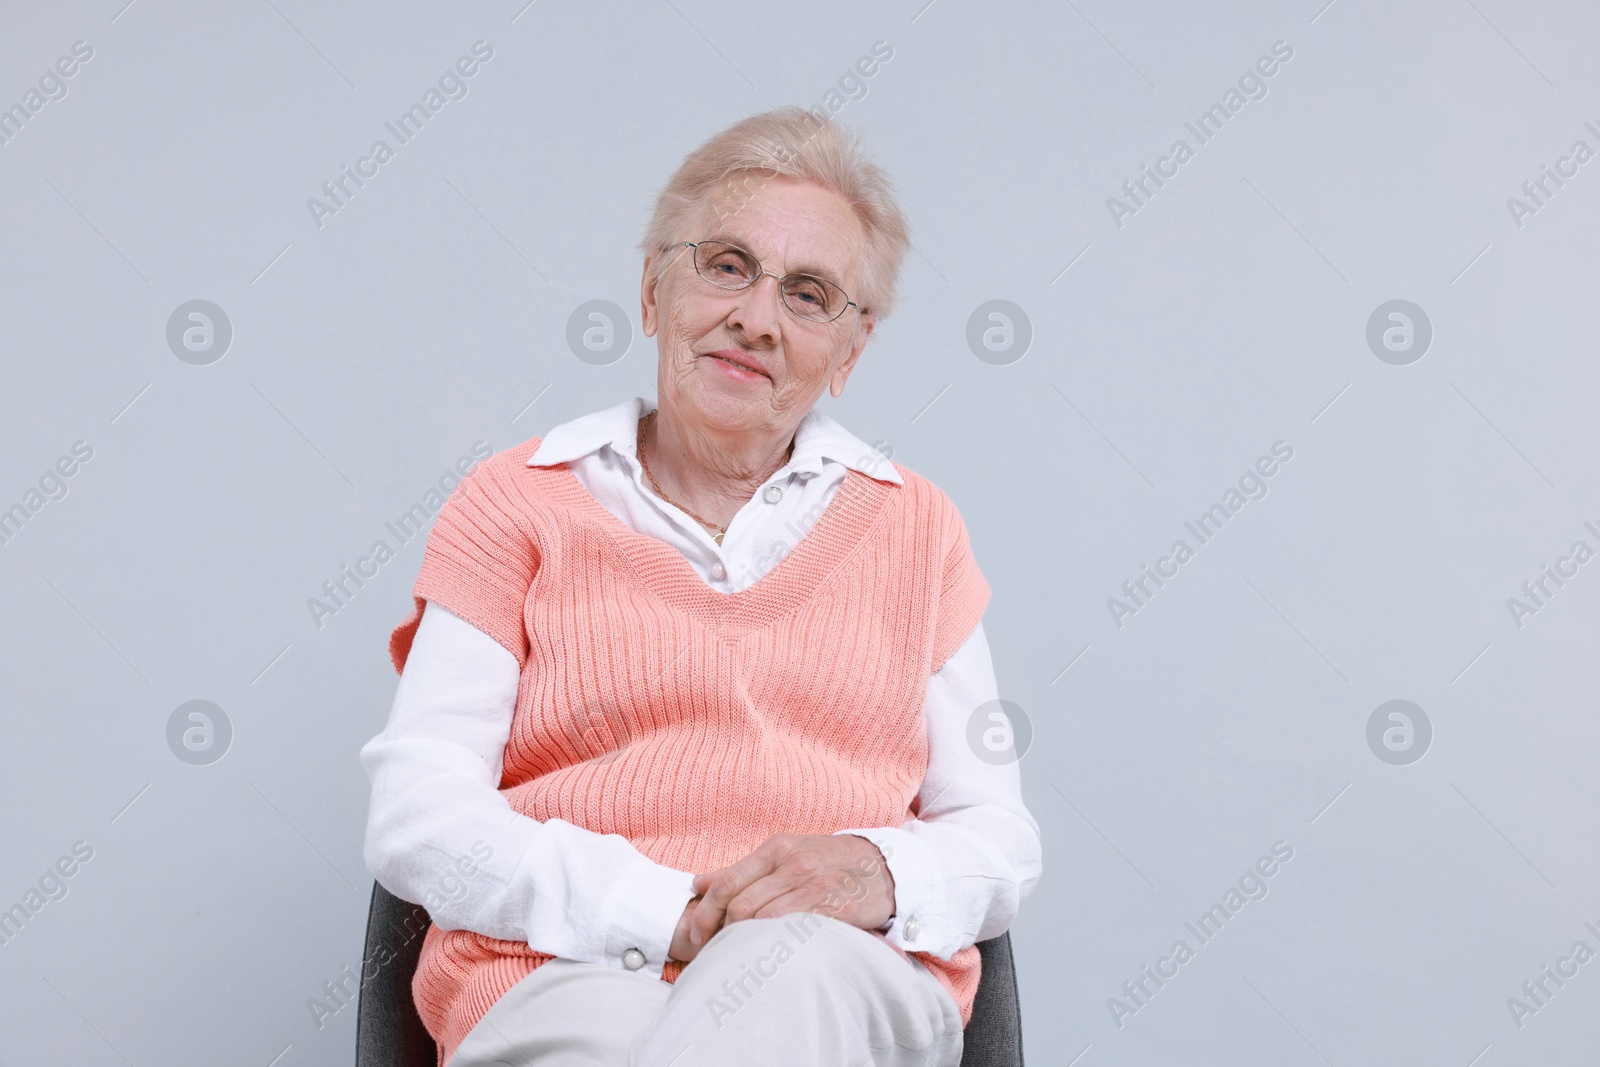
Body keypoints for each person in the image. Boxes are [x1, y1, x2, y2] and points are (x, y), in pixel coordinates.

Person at [360, 105, 1042, 1067]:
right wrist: (660, 911)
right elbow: (419, 814)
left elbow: (998, 837)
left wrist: (877, 868)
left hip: (837, 977)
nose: (755, 318)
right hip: (557, 974)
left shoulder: (917, 529)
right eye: (726, 264)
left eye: (808, 294)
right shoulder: (513, 505)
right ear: (651, 290)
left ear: (851, 350)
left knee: (791, 964)